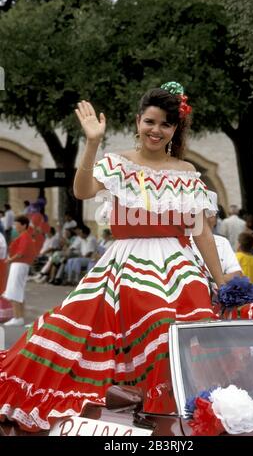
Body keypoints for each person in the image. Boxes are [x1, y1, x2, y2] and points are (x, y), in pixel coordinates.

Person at [0, 82, 225, 432]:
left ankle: (174, 420)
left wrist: (222, 281)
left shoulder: (187, 172)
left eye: (166, 124)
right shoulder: (117, 163)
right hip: (124, 266)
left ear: (175, 129)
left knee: (180, 337)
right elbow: (82, 191)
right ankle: (131, 419)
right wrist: (91, 143)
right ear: (138, 121)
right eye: (150, 121)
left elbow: (201, 232)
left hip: (180, 270)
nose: (156, 130)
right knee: (115, 334)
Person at [2, 215, 36, 326]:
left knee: (15, 290)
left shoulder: (25, 237)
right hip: (18, 264)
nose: (15, 226)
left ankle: (17, 317)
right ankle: (19, 317)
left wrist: (9, 259)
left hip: (19, 265)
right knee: (17, 291)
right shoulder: (24, 236)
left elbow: (20, 253)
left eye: (17, 224)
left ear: (24, 225)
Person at [191, 213, 242, 283]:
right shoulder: (184, 243)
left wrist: (210, 282)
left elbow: (237, 274)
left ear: (216, 220)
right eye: (203, 214)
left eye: (211, 214)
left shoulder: (223, 242)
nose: (206, 218)